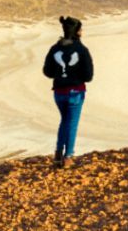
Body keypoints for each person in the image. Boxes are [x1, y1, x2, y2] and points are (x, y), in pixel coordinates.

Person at [43, 16, 94, 168]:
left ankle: (58, 154)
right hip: (75, 92)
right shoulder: (82, 50)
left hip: (58, 92)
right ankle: (68, 157)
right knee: (71, 123)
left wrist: (60, 75)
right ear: (78, 32)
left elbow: (48, 71)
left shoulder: (54, 48)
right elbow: (88, 75)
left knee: (64, 121)